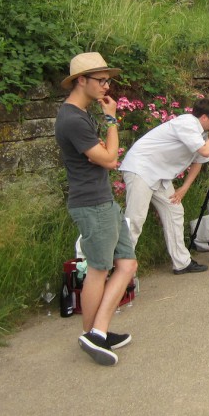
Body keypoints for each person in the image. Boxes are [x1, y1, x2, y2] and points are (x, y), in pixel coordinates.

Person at [55, 52, 138, 366]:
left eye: (107, 80)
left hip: (101, 200)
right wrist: (112, 121)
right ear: (81, 81)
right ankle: (93, 334)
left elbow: (103, 155)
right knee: (99, 269)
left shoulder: (79, 114)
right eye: (101, 80)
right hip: (92, 203)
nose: (106, 86)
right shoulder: (73, 119)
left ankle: (97, 333)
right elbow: (109, 159)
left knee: (127, 264)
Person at [121, 97, 209, 274]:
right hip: (141, 168)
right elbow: (205, 150)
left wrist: (184, 188)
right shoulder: (187, 124)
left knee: (174, 211)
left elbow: (200, 160)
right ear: (204, 117)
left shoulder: (201, 133)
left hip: (159, 174)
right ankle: (122, 269)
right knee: (135, 219)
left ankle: (181, 263)